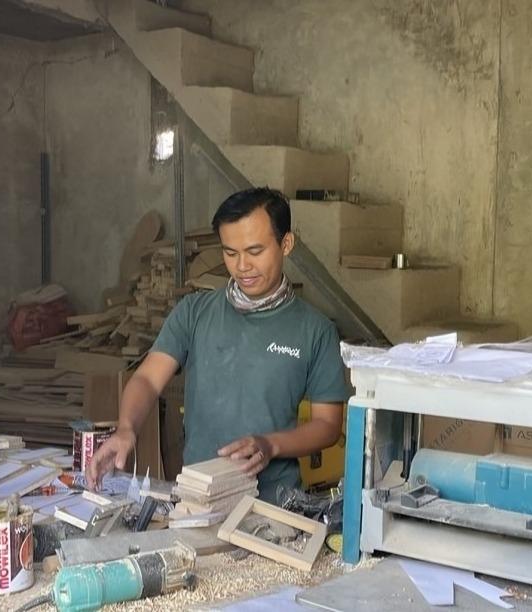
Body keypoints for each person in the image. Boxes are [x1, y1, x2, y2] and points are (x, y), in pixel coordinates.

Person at [86, 187, 349, 503]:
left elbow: (327, 425)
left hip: (273, 505)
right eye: (230, 252)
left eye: (255, 251)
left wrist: (270, 445)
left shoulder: (315, 330)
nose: (242, 266)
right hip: (198, 498)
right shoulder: (195, 313)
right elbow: (145, 379)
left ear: (286, 244)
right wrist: (126, 428)